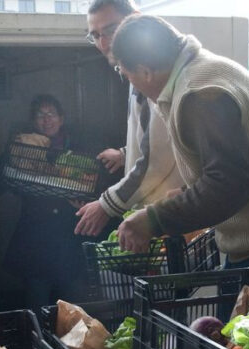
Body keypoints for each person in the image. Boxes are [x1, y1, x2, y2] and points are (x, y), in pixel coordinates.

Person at [111, 15, 249, 310]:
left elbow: (229, 183)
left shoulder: (200, 93)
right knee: (233, 343)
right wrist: (186, 195)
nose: (131, 84)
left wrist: (154, 219)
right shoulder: (198, 72)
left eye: (125, 74)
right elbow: (226, 168)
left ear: (146, 71)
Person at [74, 0, 184, 237]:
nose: (104, 43)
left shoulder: (155, 72)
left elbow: (157, 159)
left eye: (111, 30)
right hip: (160, 216)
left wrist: (106, 205)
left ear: (135, 19)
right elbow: (155, 136)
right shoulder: (135, 71)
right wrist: (125, 154)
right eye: (95, 35)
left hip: (173, 219)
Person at [0, 94, 97, 311]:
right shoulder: (23, 148)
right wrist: (9, 153)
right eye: (40, 116)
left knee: (73, 305)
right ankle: (38, 343)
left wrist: (84, 202)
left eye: (51, 114)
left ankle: (71, 345)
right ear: (33, 122)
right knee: (36, 303)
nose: (46, 120)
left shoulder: (78, 146)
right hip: (35, 238)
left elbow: (96, 185)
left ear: (61, 118)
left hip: (70, 237)